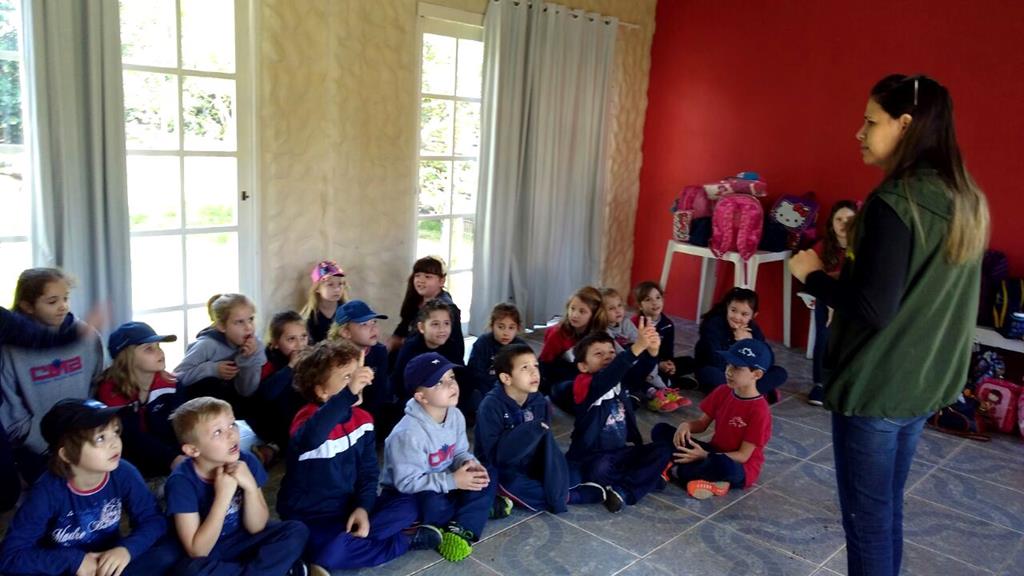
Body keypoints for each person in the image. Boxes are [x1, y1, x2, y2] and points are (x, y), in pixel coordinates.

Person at [789, 74, 989, 576]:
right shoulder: (965, 198)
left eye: (870, 121)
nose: (859, 132)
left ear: (905, 124)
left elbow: (873, 308)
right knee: (884, 509)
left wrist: (812, 275)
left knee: (869, 523)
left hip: (879, 385)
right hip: (925, 381)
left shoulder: (896, 202)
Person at [277, 340, 440, 570]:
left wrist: (362, 507)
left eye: (357, 375)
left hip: (350, 509)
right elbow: (311, 438)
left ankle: (348, 544)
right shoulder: (307, 420)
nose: (357, 382)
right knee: (327, 550)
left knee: (409, 505)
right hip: (311, 517)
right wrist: (348, 394)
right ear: (322, 391)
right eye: (347, 377)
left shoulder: (363, 421)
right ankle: (402, 541)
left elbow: (368, 471)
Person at [0, 399, 182, 576]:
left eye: (115, 432)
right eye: (101, 438)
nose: (115, 443)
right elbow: (10, 556)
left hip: (111, 564)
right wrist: (74, 561)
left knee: (169, 552)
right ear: (67, 454)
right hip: (65, 568)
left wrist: (127, 549)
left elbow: (153, 520)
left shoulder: (123, 472)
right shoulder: (47, 492)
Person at [379, 353, 506, 563]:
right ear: (421, 397)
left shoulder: (454, 414)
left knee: (487, 472)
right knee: (430, 504)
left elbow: (459, 452)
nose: (451, 385)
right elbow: (407, 483)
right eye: (439, 382)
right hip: (413, 491)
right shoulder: (408, 434)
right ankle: (472, 515)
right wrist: (454, 481)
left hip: (446, 480)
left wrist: (467, 463)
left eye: (451, 377)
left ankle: (460, 523)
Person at [166, 397, 312, 575]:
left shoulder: (246, 461)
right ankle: (275, 569)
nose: (231, 435)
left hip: (246, 539)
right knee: (190, 570)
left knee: (296, 530)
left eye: (232, 424)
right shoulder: (181, 482)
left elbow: (257, 527)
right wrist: (222, 497)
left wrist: (250, 487)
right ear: (193, 450)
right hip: (213, 552)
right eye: (218, 432)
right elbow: (198, 551)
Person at [1, 268, 104, 485]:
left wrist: (87, 429)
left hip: (83, 439)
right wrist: (38, 441)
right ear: (27, 306)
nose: (63, 306)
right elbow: (10, 407)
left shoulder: (86, 335)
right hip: (36, 451)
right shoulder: (9, 347)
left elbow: (96, 385)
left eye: (66, 298)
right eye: (52, 301)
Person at [474, 343, 606, 513]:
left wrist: (549, 467)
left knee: (568, 471)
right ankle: (567, 497)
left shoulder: (539, 401)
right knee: (512, 484)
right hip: (502, 466)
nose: (534, 372)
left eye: (535, 365)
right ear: (506, 378)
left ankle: (557, 492)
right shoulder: (491, 406)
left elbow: (544, 442)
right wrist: (530, 430)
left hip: (529, 461)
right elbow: (493, 456)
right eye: (525, 368)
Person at [565, 321, 675, 512]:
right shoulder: (584, 384)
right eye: (599, 354)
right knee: (600, 469)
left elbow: (638, 373)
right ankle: (637, 483)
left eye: (611, 352)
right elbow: (609, 376)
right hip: (592, 457)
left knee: (663, 450)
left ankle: (623, 490)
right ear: (583, 366)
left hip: (620, 453)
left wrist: (652, 352)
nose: (608, 356)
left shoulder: (619, 380)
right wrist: (636, 348)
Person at [652, 339, 773, 500]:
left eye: (737, 368)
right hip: (713, 450)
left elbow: (743, 456)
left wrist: (704, 455)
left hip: (738, 465)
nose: (729, 371)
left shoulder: (759, 410)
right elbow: (702, 424)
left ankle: (678, 470)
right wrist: (686, 426)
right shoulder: (723, 390)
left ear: (756, 374)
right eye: (729, 365)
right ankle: (699, 477)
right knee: (661, 430)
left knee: (723, 467)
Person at [96, 322, 185, 477]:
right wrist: (172, 459)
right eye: (149, 349)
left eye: (158, 346)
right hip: (129, 467)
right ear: (127, 357)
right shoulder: (111, 391)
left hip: (171, 461)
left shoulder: (172, 384)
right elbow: (130, 437)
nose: (160, 352)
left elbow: (184, 425)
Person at [173, 294, 267, 416]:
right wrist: (212, 369)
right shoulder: (206, 345)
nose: (248, 327)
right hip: (203, 411)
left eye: (251, 319)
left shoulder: (255, 345)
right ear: (221, 326)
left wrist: (248, 359)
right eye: (239, 322)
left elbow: (246, 391)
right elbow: (178, 378)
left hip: (236, 406)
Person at [693, 287, 788, 403]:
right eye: (733, 310)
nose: (737, 317)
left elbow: (768, 361)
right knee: (711, 374)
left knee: (780, 372)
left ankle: (740, 395)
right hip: (722, 372)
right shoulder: (713, 325)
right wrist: (740, 344)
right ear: (727, 308)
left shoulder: (752, 328)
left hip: (745, 375)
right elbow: (716, 361)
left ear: (753, 315)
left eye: (744, 314)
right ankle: (754, 393)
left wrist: (750, 341)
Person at [602, 287, 688, 412]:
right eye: (611, 308)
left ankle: (663, 389)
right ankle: (655, 395)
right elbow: (621, 355)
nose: (618, 310)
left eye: (620, 305)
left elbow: (640, 341)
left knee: (683, 361)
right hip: (623, 365)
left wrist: (648, 353)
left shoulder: (626, 322)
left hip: (638, 359)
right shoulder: (603, 330)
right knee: (638, 361)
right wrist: (639, 351)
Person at [807, 201, 859, 406]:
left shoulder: (865, 246)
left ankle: (846, 384)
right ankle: (820, 384)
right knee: (824, 335)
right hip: (827, 299)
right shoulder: (822, 247)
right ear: (832, 223)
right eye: (839, 219)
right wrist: (831, 302)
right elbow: (815, 277)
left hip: (854, 301)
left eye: (849, 219)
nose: (843, 224)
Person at [329, 300, 397, 434]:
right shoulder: (332, 358)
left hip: (373, 416)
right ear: (345, 332)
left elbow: (381, 390)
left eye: (374, 322)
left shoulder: (379, 351)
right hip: (342, 420)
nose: (373, 328)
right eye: (364, 324)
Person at [249, 311, 309, 464]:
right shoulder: (267, 361)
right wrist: (290, 367)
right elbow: (267, 394)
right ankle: (274, 447)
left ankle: (276, 448)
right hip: (269, 417)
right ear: (275, 343)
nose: (300, 344)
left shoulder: (310, 355)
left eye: (303, 337)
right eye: (291, 339)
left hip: (296, 417)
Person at [539, 286, 607, 412]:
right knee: (564, 390)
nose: (574, 315)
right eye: (572, 308)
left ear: (594, 315)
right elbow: (544, 364)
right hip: (561, 377)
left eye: (582, 311)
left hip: (585, 375)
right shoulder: (557, 334)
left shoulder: (598, 334)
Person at [388, 256, 464, 363]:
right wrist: (395, 339)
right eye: (417, 275)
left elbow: (454, 347)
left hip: (433, 360)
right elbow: (404, 324)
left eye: (428, 277)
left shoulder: (448, 308)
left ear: (441, 281)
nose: (421, 280)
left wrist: (404, 342)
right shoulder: (416, 299)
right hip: (408, 354)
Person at [390, 300, 465, 406]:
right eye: (435, 324)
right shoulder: (410, 349)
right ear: (421, 327)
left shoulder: (451, 346)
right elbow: (401, 385)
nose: (442, 329)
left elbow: (462, 376)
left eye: (446, 323)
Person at [631, 281, 697, 390]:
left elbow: (668, 352)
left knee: (690, 362)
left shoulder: (668, 324)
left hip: (660, 362)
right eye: (648, 299)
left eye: (658, 297)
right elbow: (635, 354)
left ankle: (669, 378)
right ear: (640, 306)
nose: (655, 302)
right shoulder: (634, 324)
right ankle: (672, 383)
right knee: (638, 373)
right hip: (643, 363)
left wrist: (668, 364)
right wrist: (658, 364)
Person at [466, 303, 527, 396]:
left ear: (517, 328)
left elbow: (527, 374)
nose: (506, 333)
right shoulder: (483, 343)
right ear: (492, 326)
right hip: (486, 390)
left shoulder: (521, 347)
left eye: (511, 328)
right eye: (501, 327)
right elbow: (475, 372)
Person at [301, 260, 348, 344]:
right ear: (317, 288)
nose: (337, 289)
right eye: (330, 284)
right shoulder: (310, 316)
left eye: (340, 284)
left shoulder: (348, 311)